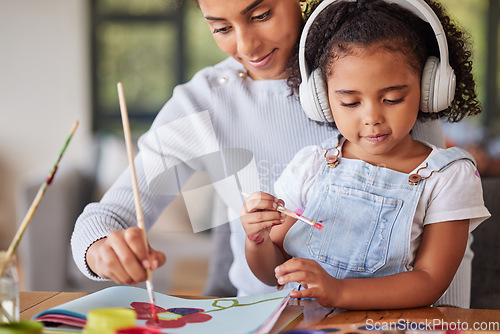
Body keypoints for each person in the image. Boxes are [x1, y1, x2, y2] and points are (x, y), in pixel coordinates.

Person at [71, 0, 461, 305]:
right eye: (221, 28)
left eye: (261, 14)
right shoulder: (200, 105)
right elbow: (107, 217)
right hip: (270, 314)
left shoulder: (379, 68)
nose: (246, 45)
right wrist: (101, 251)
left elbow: (440, 236)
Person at [240, 0, 490, 309]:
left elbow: (429, 281)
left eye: (393, 98)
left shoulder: (448, 177)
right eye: (350, 103)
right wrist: (257, 240)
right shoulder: (311, 166)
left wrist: (339, 291)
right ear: (321, 98)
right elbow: (273, 273)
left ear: (429, 88)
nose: (372, 117)